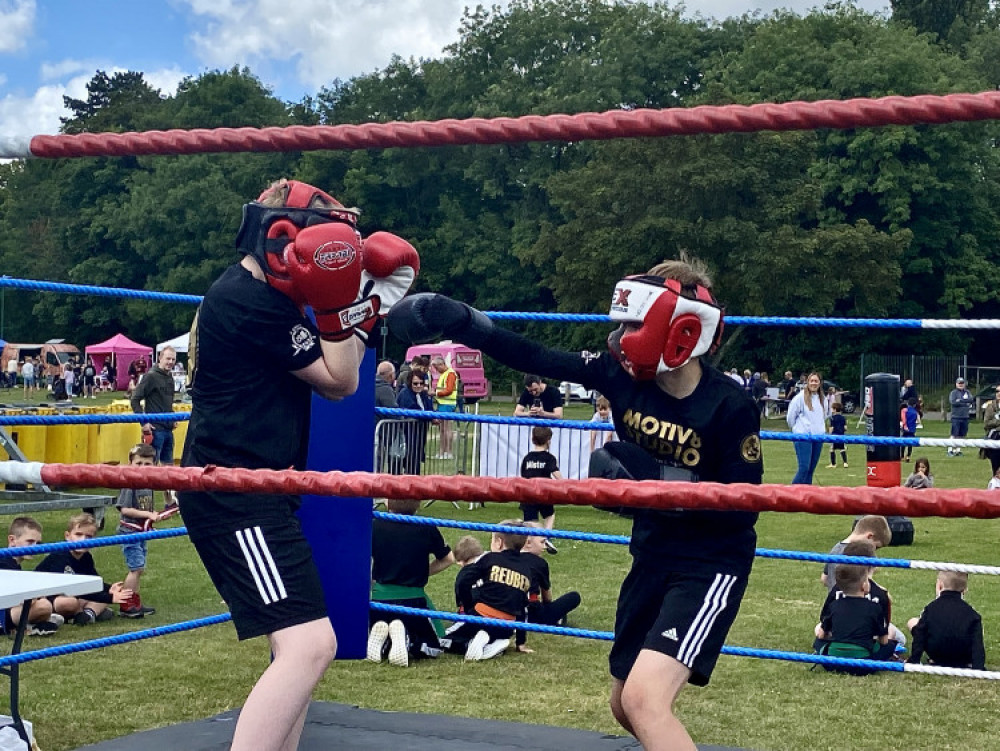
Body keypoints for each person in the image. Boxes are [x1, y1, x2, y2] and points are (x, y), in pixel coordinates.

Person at [389, 254, 762, 750]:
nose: (623, 335)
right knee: (623, 702)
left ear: (679, 330)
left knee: (646, 701)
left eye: (636, 323)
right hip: (651, 551)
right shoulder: (620, 374)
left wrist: (659, 483)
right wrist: (467, 323)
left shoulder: (729, 407)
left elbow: (745, 507)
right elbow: (538, 356)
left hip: (710, 564)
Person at [177, 178, 418, 751]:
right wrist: (349, 302)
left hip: (259, 490)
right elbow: (340, 381)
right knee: (309, 646)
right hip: (233, 492)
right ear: (284, 240)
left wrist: (370, 304)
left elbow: (344, 363)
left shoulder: (264, 298)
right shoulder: (247, 301)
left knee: (301, 650)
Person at [367, 498, 454, 667]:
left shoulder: (375, 525)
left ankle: (383, 643)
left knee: (377, 625)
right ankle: (408, 639)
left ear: (387, 503)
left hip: (379, 601)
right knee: (433, 647)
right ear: (419, 504)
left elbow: (360, 559)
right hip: (413, 601)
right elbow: (448, 559)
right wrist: (422, 571)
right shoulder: (426, 526)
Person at [441, 520, 532, 662]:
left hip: (481, 616)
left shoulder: (490, 558)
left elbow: (463, 580)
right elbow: (523, 607)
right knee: (490, 631)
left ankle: (472, 643)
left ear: (499, 543)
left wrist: (468, 606)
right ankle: (495, 643)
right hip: (506, 627)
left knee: (441, 640)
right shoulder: (526, 570)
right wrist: (521, 642)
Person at [35, 513, 133, 625]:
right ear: (67, 536)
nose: (83, 539)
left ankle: (87, 614)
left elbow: (92, 580)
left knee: (105, 595)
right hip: (50, 598)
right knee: (69, 602)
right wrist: (110, 597)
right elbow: (74, 588)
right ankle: (77, 614)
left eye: (88, 537)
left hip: (76, 594)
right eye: (78, 534)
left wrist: (110, 588)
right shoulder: (59, 555)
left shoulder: (86, 557)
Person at [115, 443, 170, 618]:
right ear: (130, 463)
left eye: (147, 464)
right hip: (129, 530)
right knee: (135, 568)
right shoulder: (130, 483)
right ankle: (126, 604)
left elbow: (161, 505)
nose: (142, 468)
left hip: (141, 530)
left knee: (139, 568)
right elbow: (125, 509)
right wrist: (148, 514)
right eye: (138, 463)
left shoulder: (148, 483)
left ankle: (134, 602)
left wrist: (168, 494)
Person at [815, 555, 892, 674]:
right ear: (863, 585)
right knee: (890, 646)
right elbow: (883, 641)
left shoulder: (834, 605)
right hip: (863, 665)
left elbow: (821, 635)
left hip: (832, 662)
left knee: (818, 642)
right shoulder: (875, 607)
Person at [515, 523, 581, 653]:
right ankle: (556, 619)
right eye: (542, 542)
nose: (545, 546)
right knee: (574, 597)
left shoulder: (508, 558)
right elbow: (547, 597)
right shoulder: (540, 563)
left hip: (510, 613)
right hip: (533, 614)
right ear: (528, 542)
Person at [907, 571, 985, 670]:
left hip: (937, 653)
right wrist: (979, 668)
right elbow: (977, 644)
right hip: (963, 657)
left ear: (939, 585)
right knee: (975, 629)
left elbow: (920, 636)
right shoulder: (972, 613)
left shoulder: (931, 609)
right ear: (965, 590)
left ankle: (936, 659)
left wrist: (914, 660)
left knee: (914, 623)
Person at [0, 517, 60, 636]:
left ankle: (32, 624)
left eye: (37, 543)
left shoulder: (13, 564)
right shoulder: (4, 563)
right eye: (30, 541)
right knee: (44, 606)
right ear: (12, 540)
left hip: (8, 610)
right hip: (2, 615)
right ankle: (28, 626)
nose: (34, 547)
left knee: (43, 603)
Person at [131, 346, 178, 469]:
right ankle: (147, 489)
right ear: (160, 358)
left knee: (169, 468)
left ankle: (169, 489)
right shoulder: (151, 376)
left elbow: (167, 402)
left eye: (173, 359)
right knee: (150, 468)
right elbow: (134, 399)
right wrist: (144, 422)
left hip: (168, 430)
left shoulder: (170, 378)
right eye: (168, 358)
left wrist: (172, 417)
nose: (170, 362)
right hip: (156, 430)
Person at [519, 426, 562, 554]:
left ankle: (529, 544)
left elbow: (523, 476)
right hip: (544, 493)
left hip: (528, 493)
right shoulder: (549, 458)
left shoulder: (527, 458)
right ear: (548, 440)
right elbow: (556, 474)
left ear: (533, 439)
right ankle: (545, 537)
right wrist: (564, 484)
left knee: (530, 522)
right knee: (549, 515)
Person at [820, 515, 892, 590]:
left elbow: (824, 578)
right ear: (869, 537)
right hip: (854, 599)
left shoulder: (835, 549)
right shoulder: (860, 552)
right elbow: (865, 583)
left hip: (834, 599)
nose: (874, 551)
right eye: (876, 547)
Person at [786, 371, 826, 484]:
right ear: (807, 382)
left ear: (820, 383)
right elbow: (790, 417)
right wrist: (799, 429)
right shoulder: (799, 398)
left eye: (816, 381)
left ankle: (806, 497)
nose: (814, 383)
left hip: (818, 437)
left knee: (810, 470)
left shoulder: (823, 399)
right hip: (803, 437)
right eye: (811, 381)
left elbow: (825, 416)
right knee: (804, 468)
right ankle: (790, 495)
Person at [396, 370, 435, 475]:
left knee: (415, 460)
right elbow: (413, 410)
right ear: (410, 383)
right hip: (407, 434)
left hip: (419, 434)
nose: (418, 386)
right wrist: (430, 417)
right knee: (409, 460)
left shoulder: (423, 394)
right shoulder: (405, 394)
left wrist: (434, 417)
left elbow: (429, 409)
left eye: (421, 383)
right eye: (415, 383)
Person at [374, 360, 400, 473]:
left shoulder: (371, 385)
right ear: (391, 375)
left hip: (373, 432)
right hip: (380, 434)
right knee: (377, 463)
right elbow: (393, 411)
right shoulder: (385, 389)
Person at [431, 355, 458, 459]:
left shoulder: (450, 374)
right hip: (442, 404)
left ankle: (448, 452)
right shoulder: (444, 374)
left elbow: (449, 390)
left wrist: (436, 393)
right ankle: (442, 451)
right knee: (442, 429)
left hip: (448, 404)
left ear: (442, 364)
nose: (437, 371)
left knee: (447, 429)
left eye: (437, 368)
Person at [948, 376, 974, 456]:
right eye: (959, 383)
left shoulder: (967, 392)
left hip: (965, 417)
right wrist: (965, 402)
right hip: (956, 417)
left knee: (962, 434)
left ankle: (958, 450)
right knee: (954, 434)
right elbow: (953, 402)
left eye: (962, 383)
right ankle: (950, 450)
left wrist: (960, 401)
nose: (961, 385)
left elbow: (971, 400)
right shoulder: (953, 393)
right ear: (956, 384)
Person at [981, 385, 1000, 475]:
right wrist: (998, 421)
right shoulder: (990, 406)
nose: (999, 393)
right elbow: (986, 424)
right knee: (995, 467)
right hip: (995, 437)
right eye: (997, 391)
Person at [826, 401, 848, 469]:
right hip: (841, 435)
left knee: (832, 449)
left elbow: (831, 428)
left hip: (834, 436)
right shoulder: (843, 418)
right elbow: (845, 428)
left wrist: (829, 434)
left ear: (835, 409)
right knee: (842, 449)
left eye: (832, 408)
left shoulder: (832, 418)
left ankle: (833, 464)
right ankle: (845, 463)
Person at [900, 397, 919, 463]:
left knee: (903, 442)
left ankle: (902, 456)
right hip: (912, 429)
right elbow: (917, 421)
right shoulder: (915, 412)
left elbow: (903, 419)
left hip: (905, 429)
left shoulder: (905, 410)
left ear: (908, 403)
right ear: (914, 405)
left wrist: (904, 426)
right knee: (910, 444)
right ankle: (908, 456)